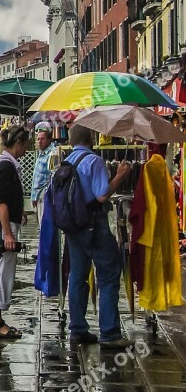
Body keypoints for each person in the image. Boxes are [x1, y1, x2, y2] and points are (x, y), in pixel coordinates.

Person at [65, 124, 132, 348]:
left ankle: (77, 329)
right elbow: (102, 195)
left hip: (73, 228)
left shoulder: (67, 162)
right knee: (108, 275)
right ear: (91, 138)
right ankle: (110, 333)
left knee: (77, 276)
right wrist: (120, 175)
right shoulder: (94, 161)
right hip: (95, 227)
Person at [0, 125, 29, 339]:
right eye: (25, 144)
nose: (26, 148)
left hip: (7, 224)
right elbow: (2, 202)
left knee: (3, 272)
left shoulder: (4, 164)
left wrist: (18, 213)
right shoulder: (6, 167)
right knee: (2, 273)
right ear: (18, 143)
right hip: (3, 228)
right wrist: (8, 234)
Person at [31, 123, 55, 226]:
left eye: (42, 139)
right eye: (38, 139)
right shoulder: (42, 154)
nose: (39, 142)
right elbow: (37, 178)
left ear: (49, 140)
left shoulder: (52, 154)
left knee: (45, 225)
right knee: (42, 225)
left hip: (46, 194)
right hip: (39, 196)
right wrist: (34, 196)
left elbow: (53, 176)